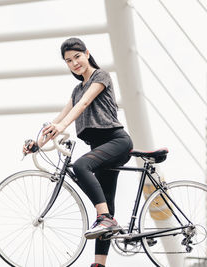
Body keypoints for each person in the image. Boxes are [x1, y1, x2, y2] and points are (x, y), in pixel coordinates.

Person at [23, 37, 133, 267]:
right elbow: (60, 117)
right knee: (107, 204)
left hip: (116, 141)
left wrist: (63, 127)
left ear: (87, 54)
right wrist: (38, 143)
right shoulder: (76, 89)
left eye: (77, 57)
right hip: (100, 149)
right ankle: (99, 263)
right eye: (68, 61)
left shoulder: (100, 76)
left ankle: (104, 218)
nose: (74, 63)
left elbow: (82, 105)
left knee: (81, 166)